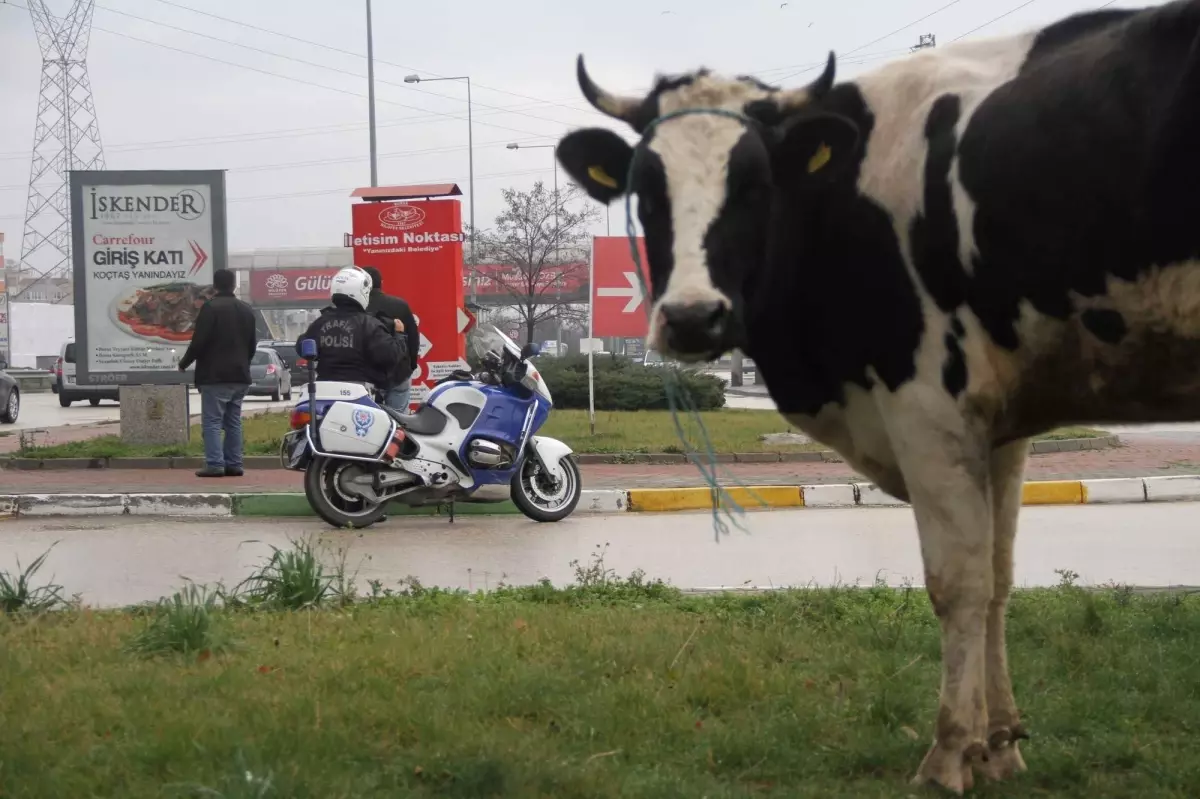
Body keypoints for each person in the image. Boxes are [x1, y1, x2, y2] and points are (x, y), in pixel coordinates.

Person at [177, 267, 257, 478]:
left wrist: (184, 363)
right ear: (234, 285)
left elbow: (199, 342)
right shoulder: (246, 310)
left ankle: (214, 464)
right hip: (240, 375)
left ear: (215, 286)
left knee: (212, 421)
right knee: (233, 422)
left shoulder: (210, 309)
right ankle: (234, 464)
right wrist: (243, 363)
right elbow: (252, 345)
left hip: (215, 376)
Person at [295, 265, 406, 392]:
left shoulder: (321, 322)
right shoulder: (370, 325)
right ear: (362, 291)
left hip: (324, 390)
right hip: (358, 391)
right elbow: (390, 357)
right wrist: (399, 334)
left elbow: (302, 347)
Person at [361, 265, 419, 412]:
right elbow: (413, 338)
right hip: (398, 372)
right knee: (399, 423)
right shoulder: (400, 305)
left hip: (367, 375)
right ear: (382, 283)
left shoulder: (358, 308)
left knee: (367, 422)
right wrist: (410, 365)